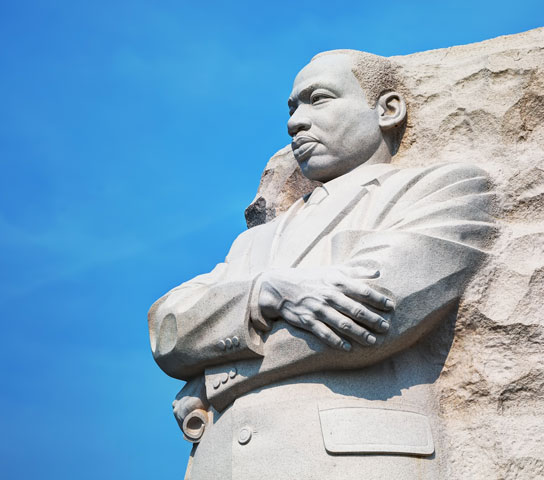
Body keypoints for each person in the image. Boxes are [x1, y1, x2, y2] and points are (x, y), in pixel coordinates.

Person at [148, 50, 496, 479]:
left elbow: (368, 316)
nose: (295, 121)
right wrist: (263, 294)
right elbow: (168, 328)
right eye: (292, 108)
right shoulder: (255, 241)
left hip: (351, 461)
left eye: (319, 99)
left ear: (388, 110)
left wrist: (211, 378)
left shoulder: (443, 190)